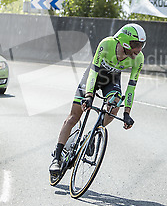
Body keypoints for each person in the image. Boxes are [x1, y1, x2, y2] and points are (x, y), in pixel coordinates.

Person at [49, 23, 146, 174]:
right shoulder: (107, 44)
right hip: (93, 77)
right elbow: (93, 72)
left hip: (112, 81)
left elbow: (132, 86)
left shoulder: (138, 58)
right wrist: (88, 95)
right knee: (74, 116)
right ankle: (57, 156)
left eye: (141, 45)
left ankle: (92, 135)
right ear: (126, 41)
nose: (138, 49)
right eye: (136, 45)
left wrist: (127, 113)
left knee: (115, 106)